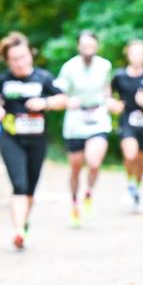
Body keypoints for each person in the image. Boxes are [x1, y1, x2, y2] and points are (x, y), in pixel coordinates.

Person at [0, 32, 67, 250]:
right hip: (10, 137)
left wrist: (45, 103)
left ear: (30, 55)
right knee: (19, 184)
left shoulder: (43, 78)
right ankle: (18, 231)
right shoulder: (2, 80)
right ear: (7, 61)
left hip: (37, 140)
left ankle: (22, 223)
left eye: (22, 57)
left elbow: (64, 99)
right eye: (14, 59)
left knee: (30, 188)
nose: (19, 63)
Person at [55, 30, 114, 227]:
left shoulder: (105, 66)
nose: (88, 48)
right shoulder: (68, 67)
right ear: (78, 46)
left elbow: (107, 90)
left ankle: (88, 192)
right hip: (76, 119)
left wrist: (110, 101)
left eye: (91, 45)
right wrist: (67, 101)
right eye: (84, 45)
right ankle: (74, 202)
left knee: (94, 162)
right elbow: (59, 93)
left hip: (98, 116)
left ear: (97, 46)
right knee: (75, 167)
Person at [111, 39, 143, 211]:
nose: (137, 57)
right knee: (130, 155)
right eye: (133, 53)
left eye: (140, 53)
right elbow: (109, 94)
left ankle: (135, 188)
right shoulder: (119, 76)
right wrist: (113, 104)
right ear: (128, 55)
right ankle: (130, 184)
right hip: (127, 121)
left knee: (142, 160)